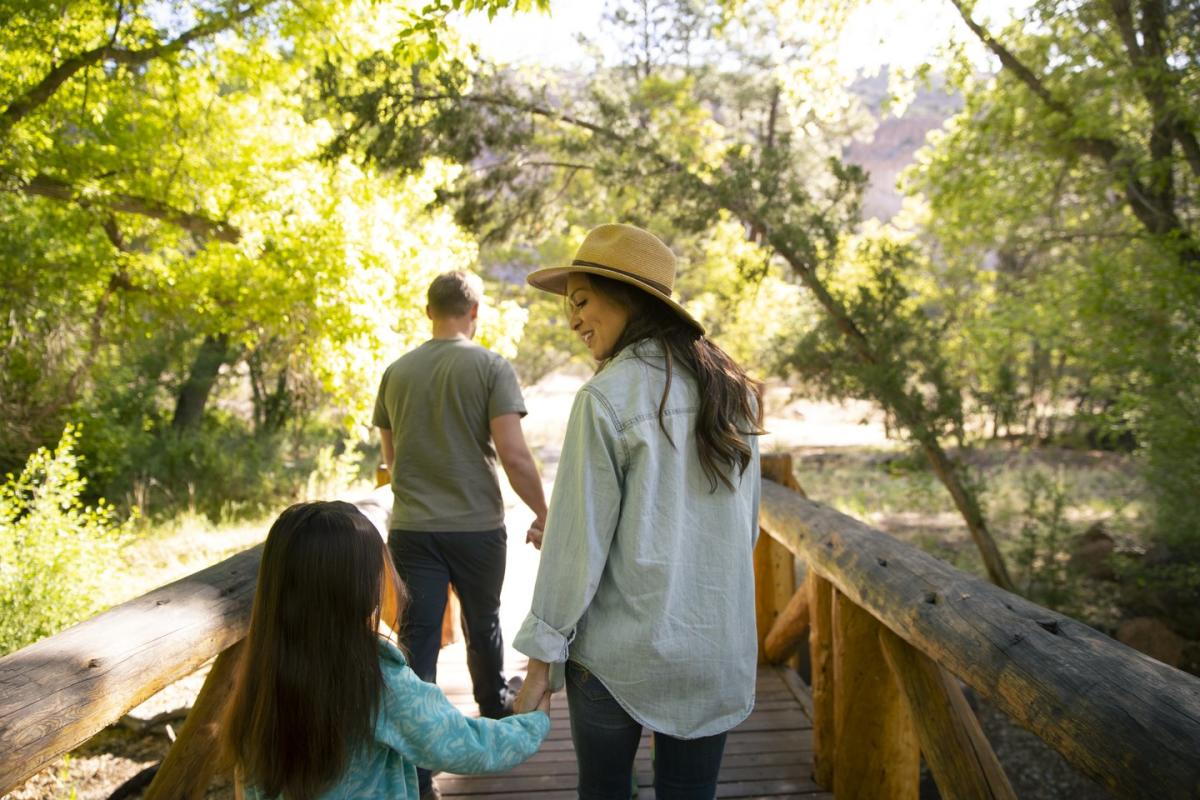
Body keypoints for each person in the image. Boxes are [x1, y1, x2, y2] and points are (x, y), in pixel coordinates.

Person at [512, 223, 765, 799]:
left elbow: (577, 551)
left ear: (628, 297)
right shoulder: (734, 393)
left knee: (604, 791)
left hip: (615, 656)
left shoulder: (606, 398)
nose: (572, 320)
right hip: (712, 647)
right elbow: (743, 528)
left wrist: (538, 664)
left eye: (580, 302)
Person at [222, 501, 550, 800]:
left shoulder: (260, 679)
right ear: (358, 589)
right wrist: (532, 723)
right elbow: (461, 743)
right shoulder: (377, 680)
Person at [373, 270, 547, 799]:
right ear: (475, 312)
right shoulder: (490, 367)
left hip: (414, 528)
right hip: (476, 527)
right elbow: (514, 456)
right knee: (483, 620)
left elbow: (390, 458)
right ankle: (493, 710)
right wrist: (545, 511)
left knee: (418, 638)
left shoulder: (397, 372)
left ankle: (419, 766)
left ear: (429, 312)